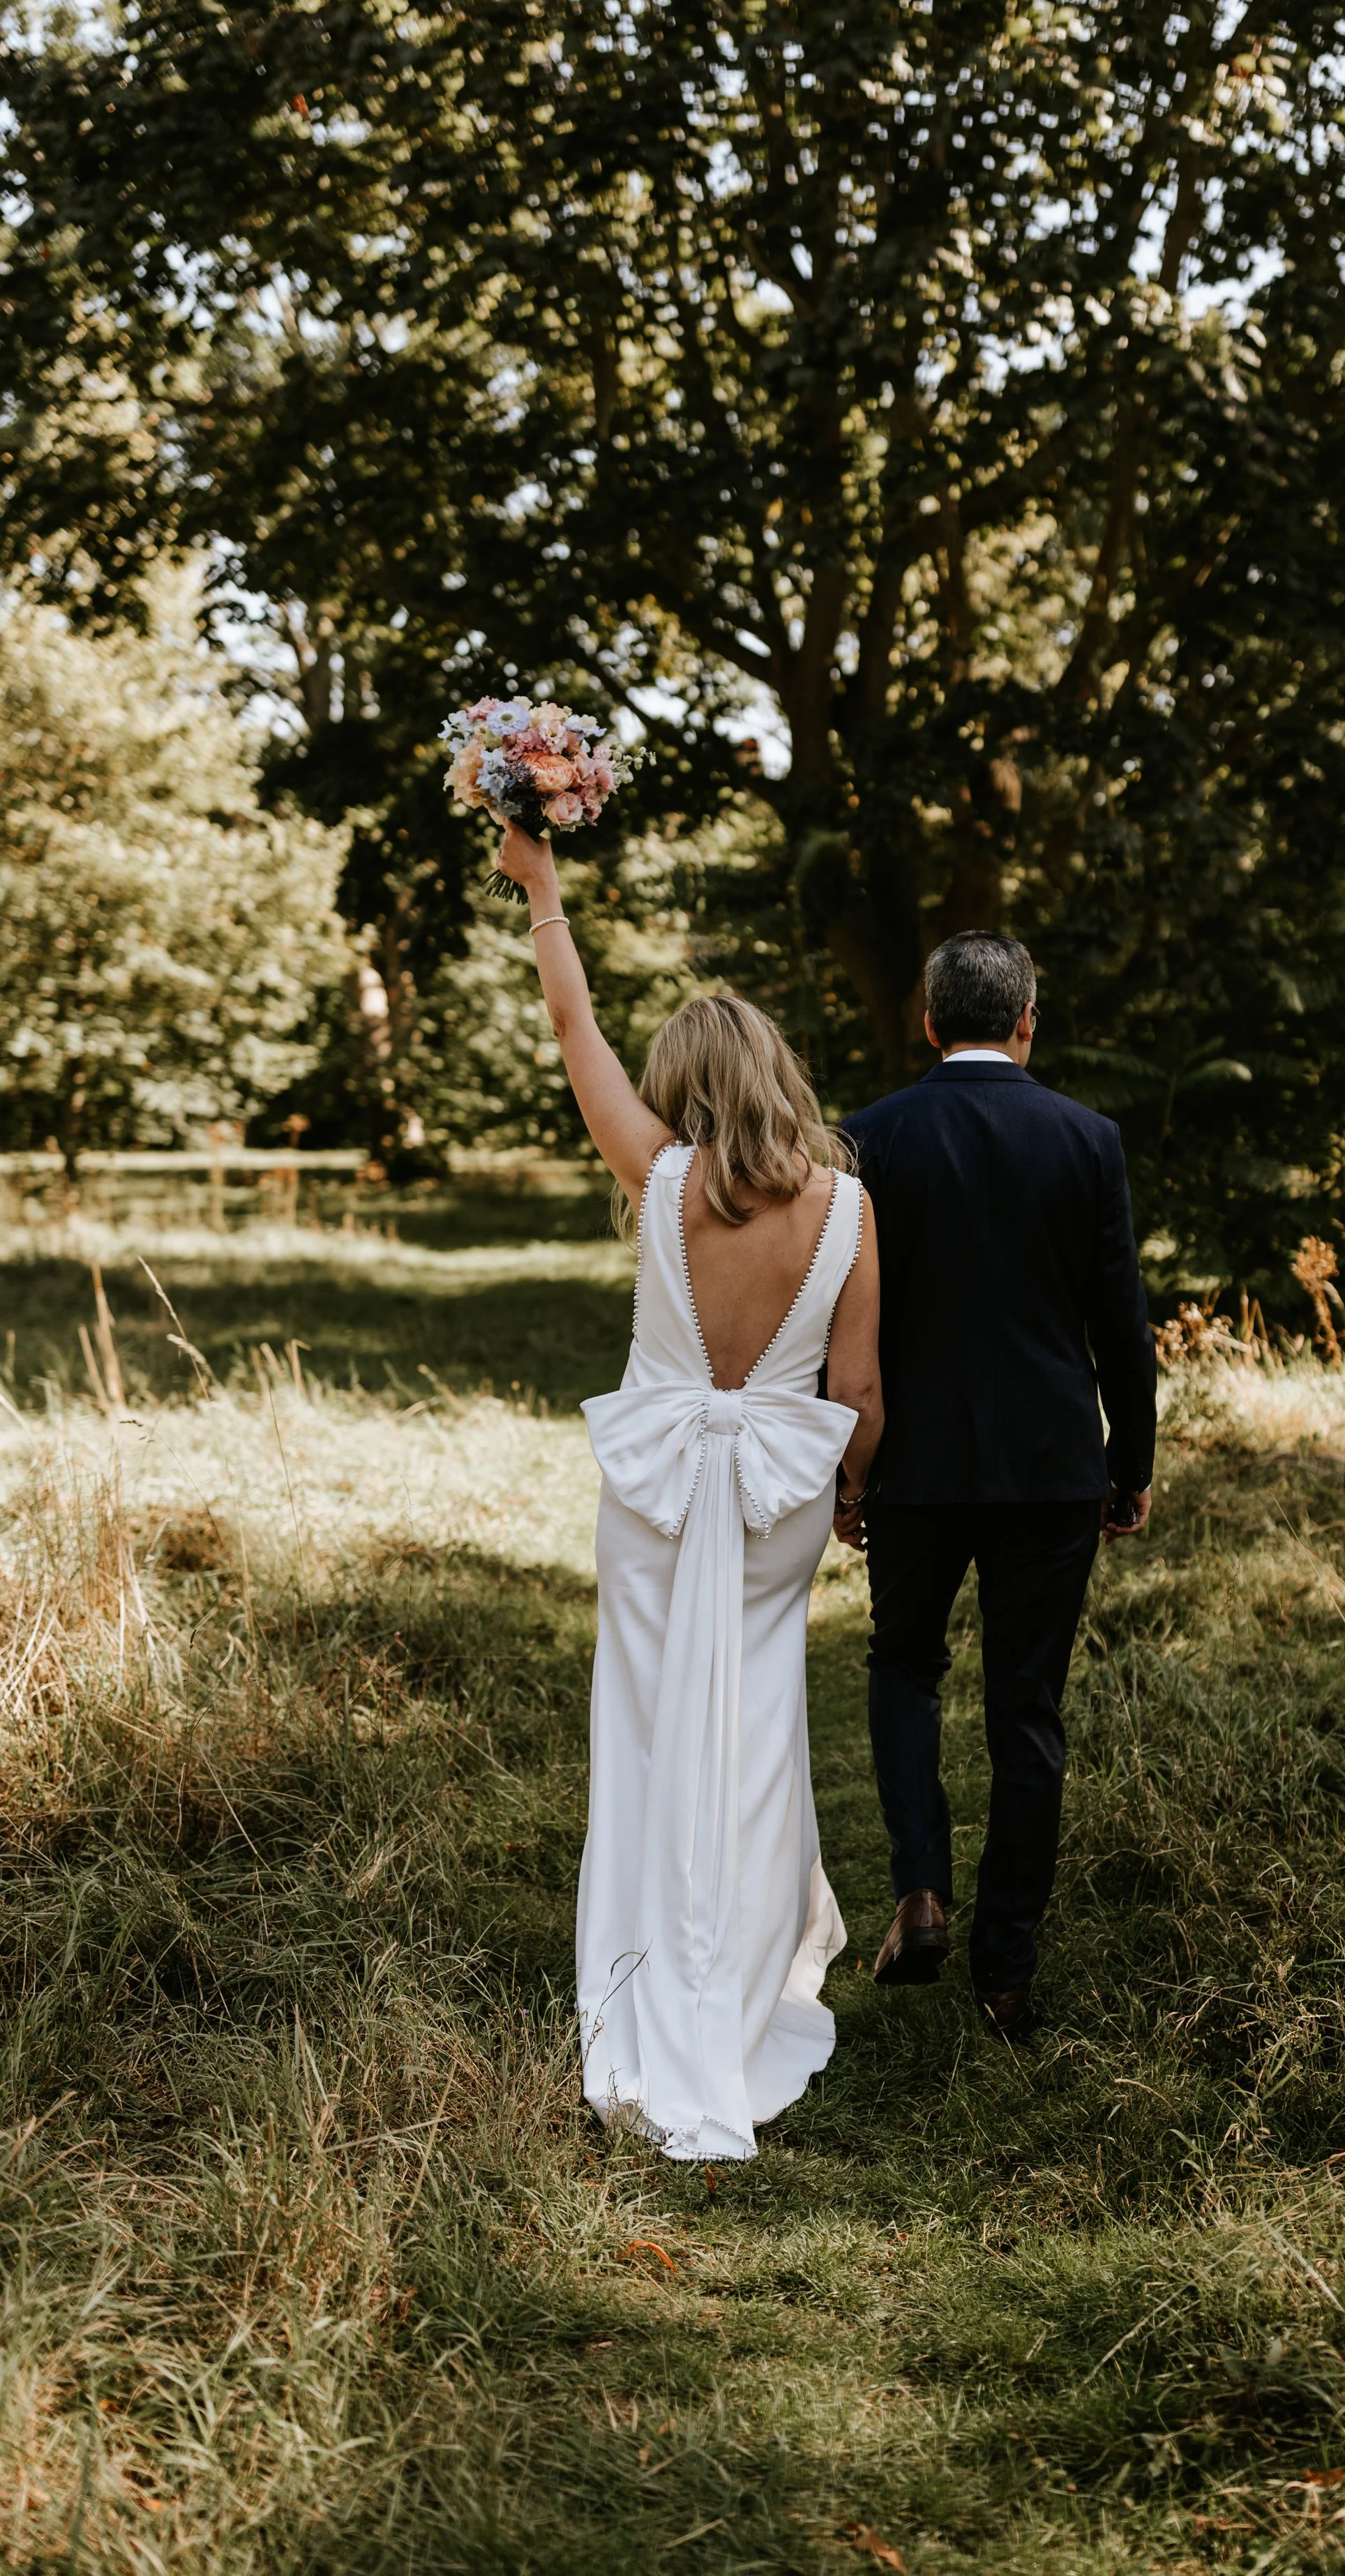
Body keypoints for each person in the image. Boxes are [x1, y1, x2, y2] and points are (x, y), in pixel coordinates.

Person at [494, 822, 883, 2161]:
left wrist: (543, 889)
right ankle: (739, 1992)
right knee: (760, 1728)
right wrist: (854, 1498)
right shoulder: (848, 1209)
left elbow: (574, 1028)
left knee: (646, 1729)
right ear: (777, 1076)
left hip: (658, 1490)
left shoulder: (658, 1179)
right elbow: (861, 1386)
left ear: (684, 1090)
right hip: (779, 1496)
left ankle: (641, 1986)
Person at [841, 931, 1155, 2044]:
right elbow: (1121, 1322)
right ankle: (1006, 1975)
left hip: (914, 1465)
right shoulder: (1087, 1138)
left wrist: (847, 1469)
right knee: (1027, 1710)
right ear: (1027, 1020)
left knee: (904, 1665)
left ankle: (921, 1888)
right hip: (1050, 1470)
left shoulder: (868, 1138)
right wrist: (1131, 1465)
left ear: (930, 1022)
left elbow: (846, 1321)